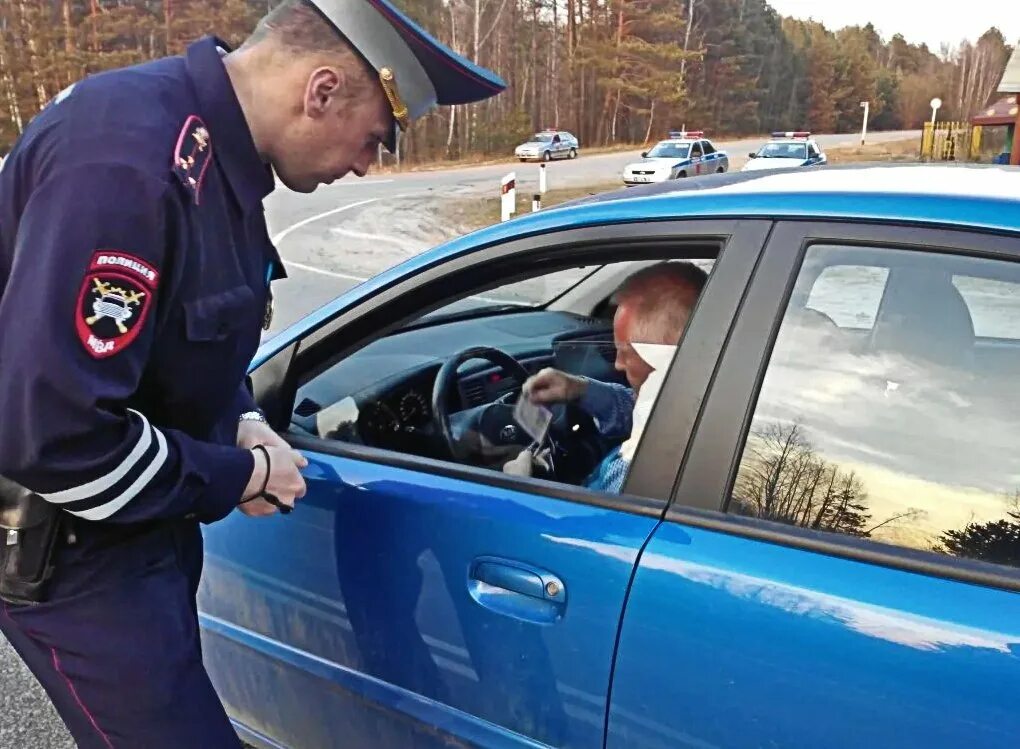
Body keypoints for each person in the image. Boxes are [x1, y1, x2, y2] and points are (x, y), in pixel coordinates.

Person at [0, 1, 505, 747]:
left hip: (139, 527)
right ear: (322, 90)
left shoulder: (216, 157)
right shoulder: (125, 158)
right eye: (376, 138)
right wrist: (237, 475)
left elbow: (190, 334)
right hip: (72, 550)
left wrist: (244, 419)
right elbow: (54, 437)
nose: (368, 163)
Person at [505, 261, 707, 492]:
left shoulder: (634, 474)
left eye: (626, 352)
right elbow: (644, 408)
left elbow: (584, 527)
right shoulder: (701, 396)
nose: (618, 364)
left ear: (667, 356)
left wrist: (522, 488)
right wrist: (579, 389)